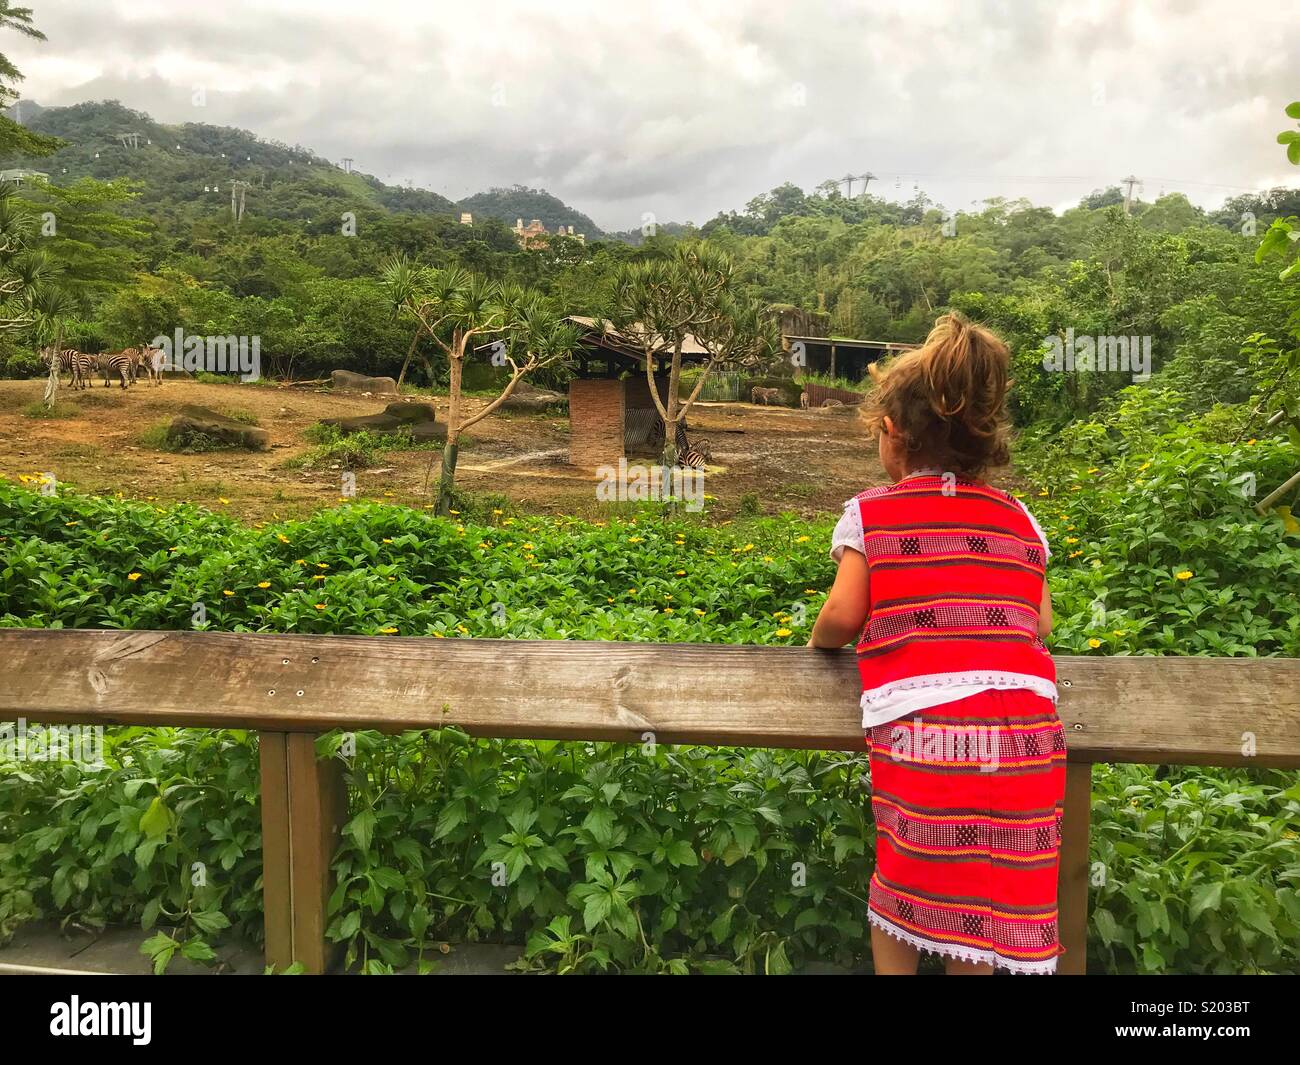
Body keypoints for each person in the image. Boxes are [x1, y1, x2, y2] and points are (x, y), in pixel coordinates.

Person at [808, 312, 1063, 975]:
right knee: (978, 913)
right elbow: (1041, 623)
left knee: (903, 886)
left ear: (892, 433)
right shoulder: (1018, 520)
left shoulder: (875, 514)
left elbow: (841, 615)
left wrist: (820, 638)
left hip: (930, 739)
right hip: (1024, 746)